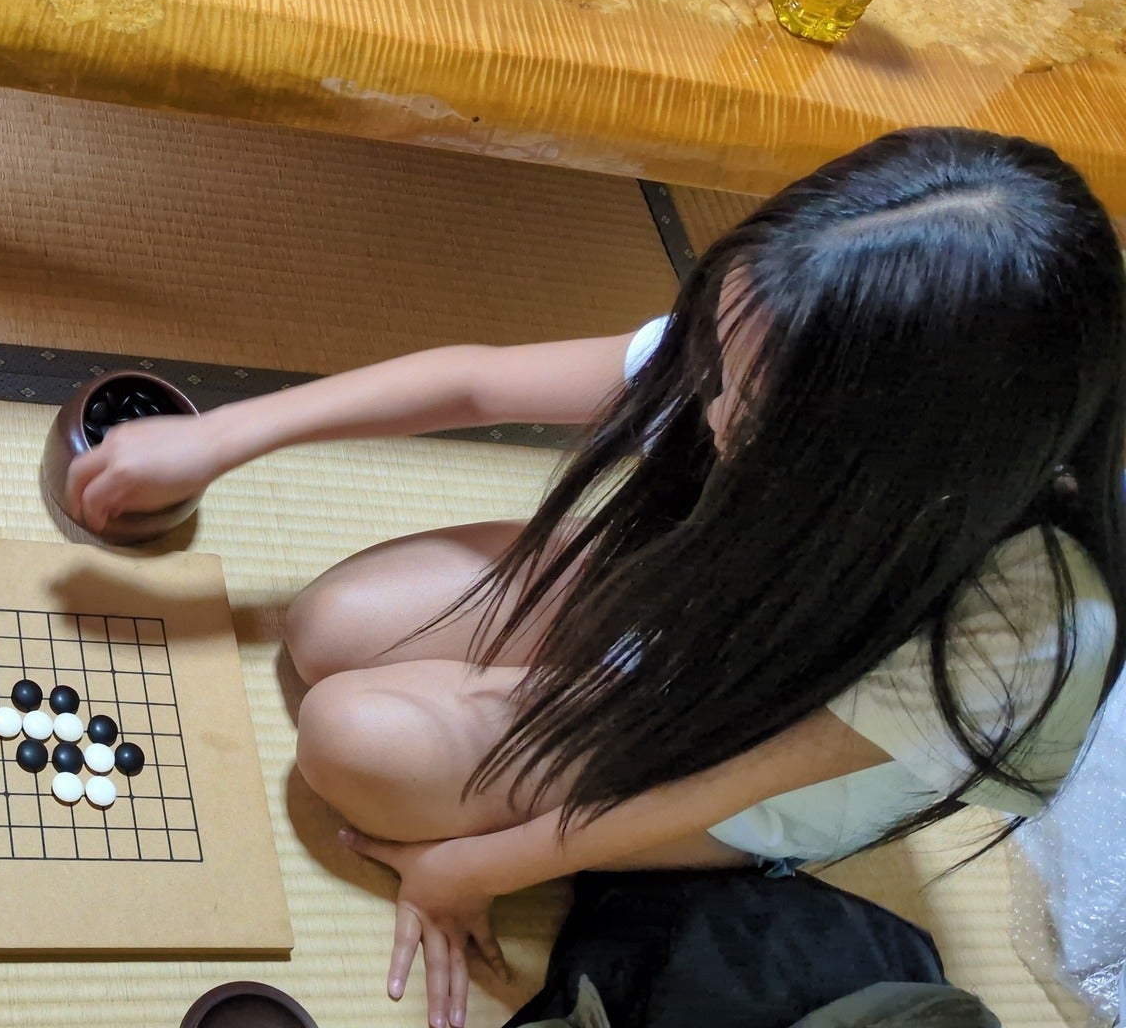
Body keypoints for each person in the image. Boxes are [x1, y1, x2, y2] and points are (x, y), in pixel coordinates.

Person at [65, 129, 1125, 1028]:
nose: (709, 409)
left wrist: (473, 870)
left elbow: (713, 788)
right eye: (719, 361)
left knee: (349, 739)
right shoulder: (780, 329)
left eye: (752, 412)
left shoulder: (1019, 623)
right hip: (680, 596)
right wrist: (223, 438)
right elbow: (477, 380)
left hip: (731, 760)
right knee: (327, 623)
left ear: (899, 458)